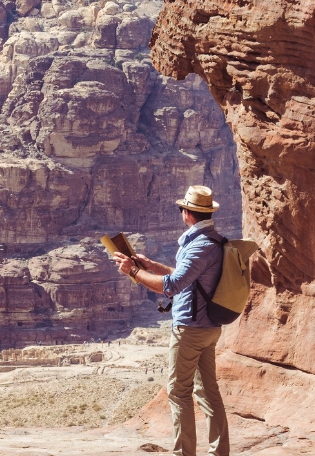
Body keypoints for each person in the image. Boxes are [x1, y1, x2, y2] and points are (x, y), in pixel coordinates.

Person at [112, 185, 229, 456]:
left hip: (191, 328)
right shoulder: (213, 240)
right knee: (208, 392)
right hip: (208, 327)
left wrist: (133, 272)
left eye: (181, 209)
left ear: (187, 213)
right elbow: (187, 277)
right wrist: (149, 265)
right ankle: (219, 452)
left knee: (179, 393)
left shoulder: (199, 245)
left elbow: (172, 286)